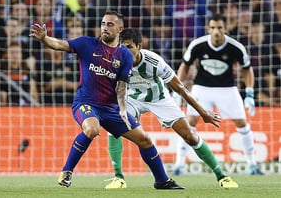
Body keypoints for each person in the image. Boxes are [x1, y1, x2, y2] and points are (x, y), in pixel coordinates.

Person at [29, 10, 184, 189]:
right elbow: (59, 44)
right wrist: (44, 39)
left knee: (145, 140)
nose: (105, 27)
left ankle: (162, 180)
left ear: (120, 28)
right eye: (103, 23)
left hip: (111, 109)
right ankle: (67, 171)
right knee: (92, 129)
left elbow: (122, 85)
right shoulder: (87, 44)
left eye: (110, 24)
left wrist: (123, 109)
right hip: (86, 103)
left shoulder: (124, 55)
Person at [105, 28, 238, 189]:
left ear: (139, 46)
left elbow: (180, 88)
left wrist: (203, 112)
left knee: (190, 136)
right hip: (132, 99)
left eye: (129, 47)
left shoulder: (154, 62)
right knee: (114, 126)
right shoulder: (115, 62)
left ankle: (222, 176)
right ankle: (118, 177)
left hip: (159, 99)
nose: (124, 52)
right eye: (121, 47)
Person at [173, 14, 264, 176]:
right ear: (208, 29)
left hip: (227, 88)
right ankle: (179, 164)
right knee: (189, 122)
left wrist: (249, 93)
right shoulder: (197, 45)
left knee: (242, 123)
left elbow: (247, 69)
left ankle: (252, 164)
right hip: (202, 87)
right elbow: (184, 67)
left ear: (225, 29)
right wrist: (178, 90)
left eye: (219, 28)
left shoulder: (235, 47)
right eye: (213, 28)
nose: (216, 31)